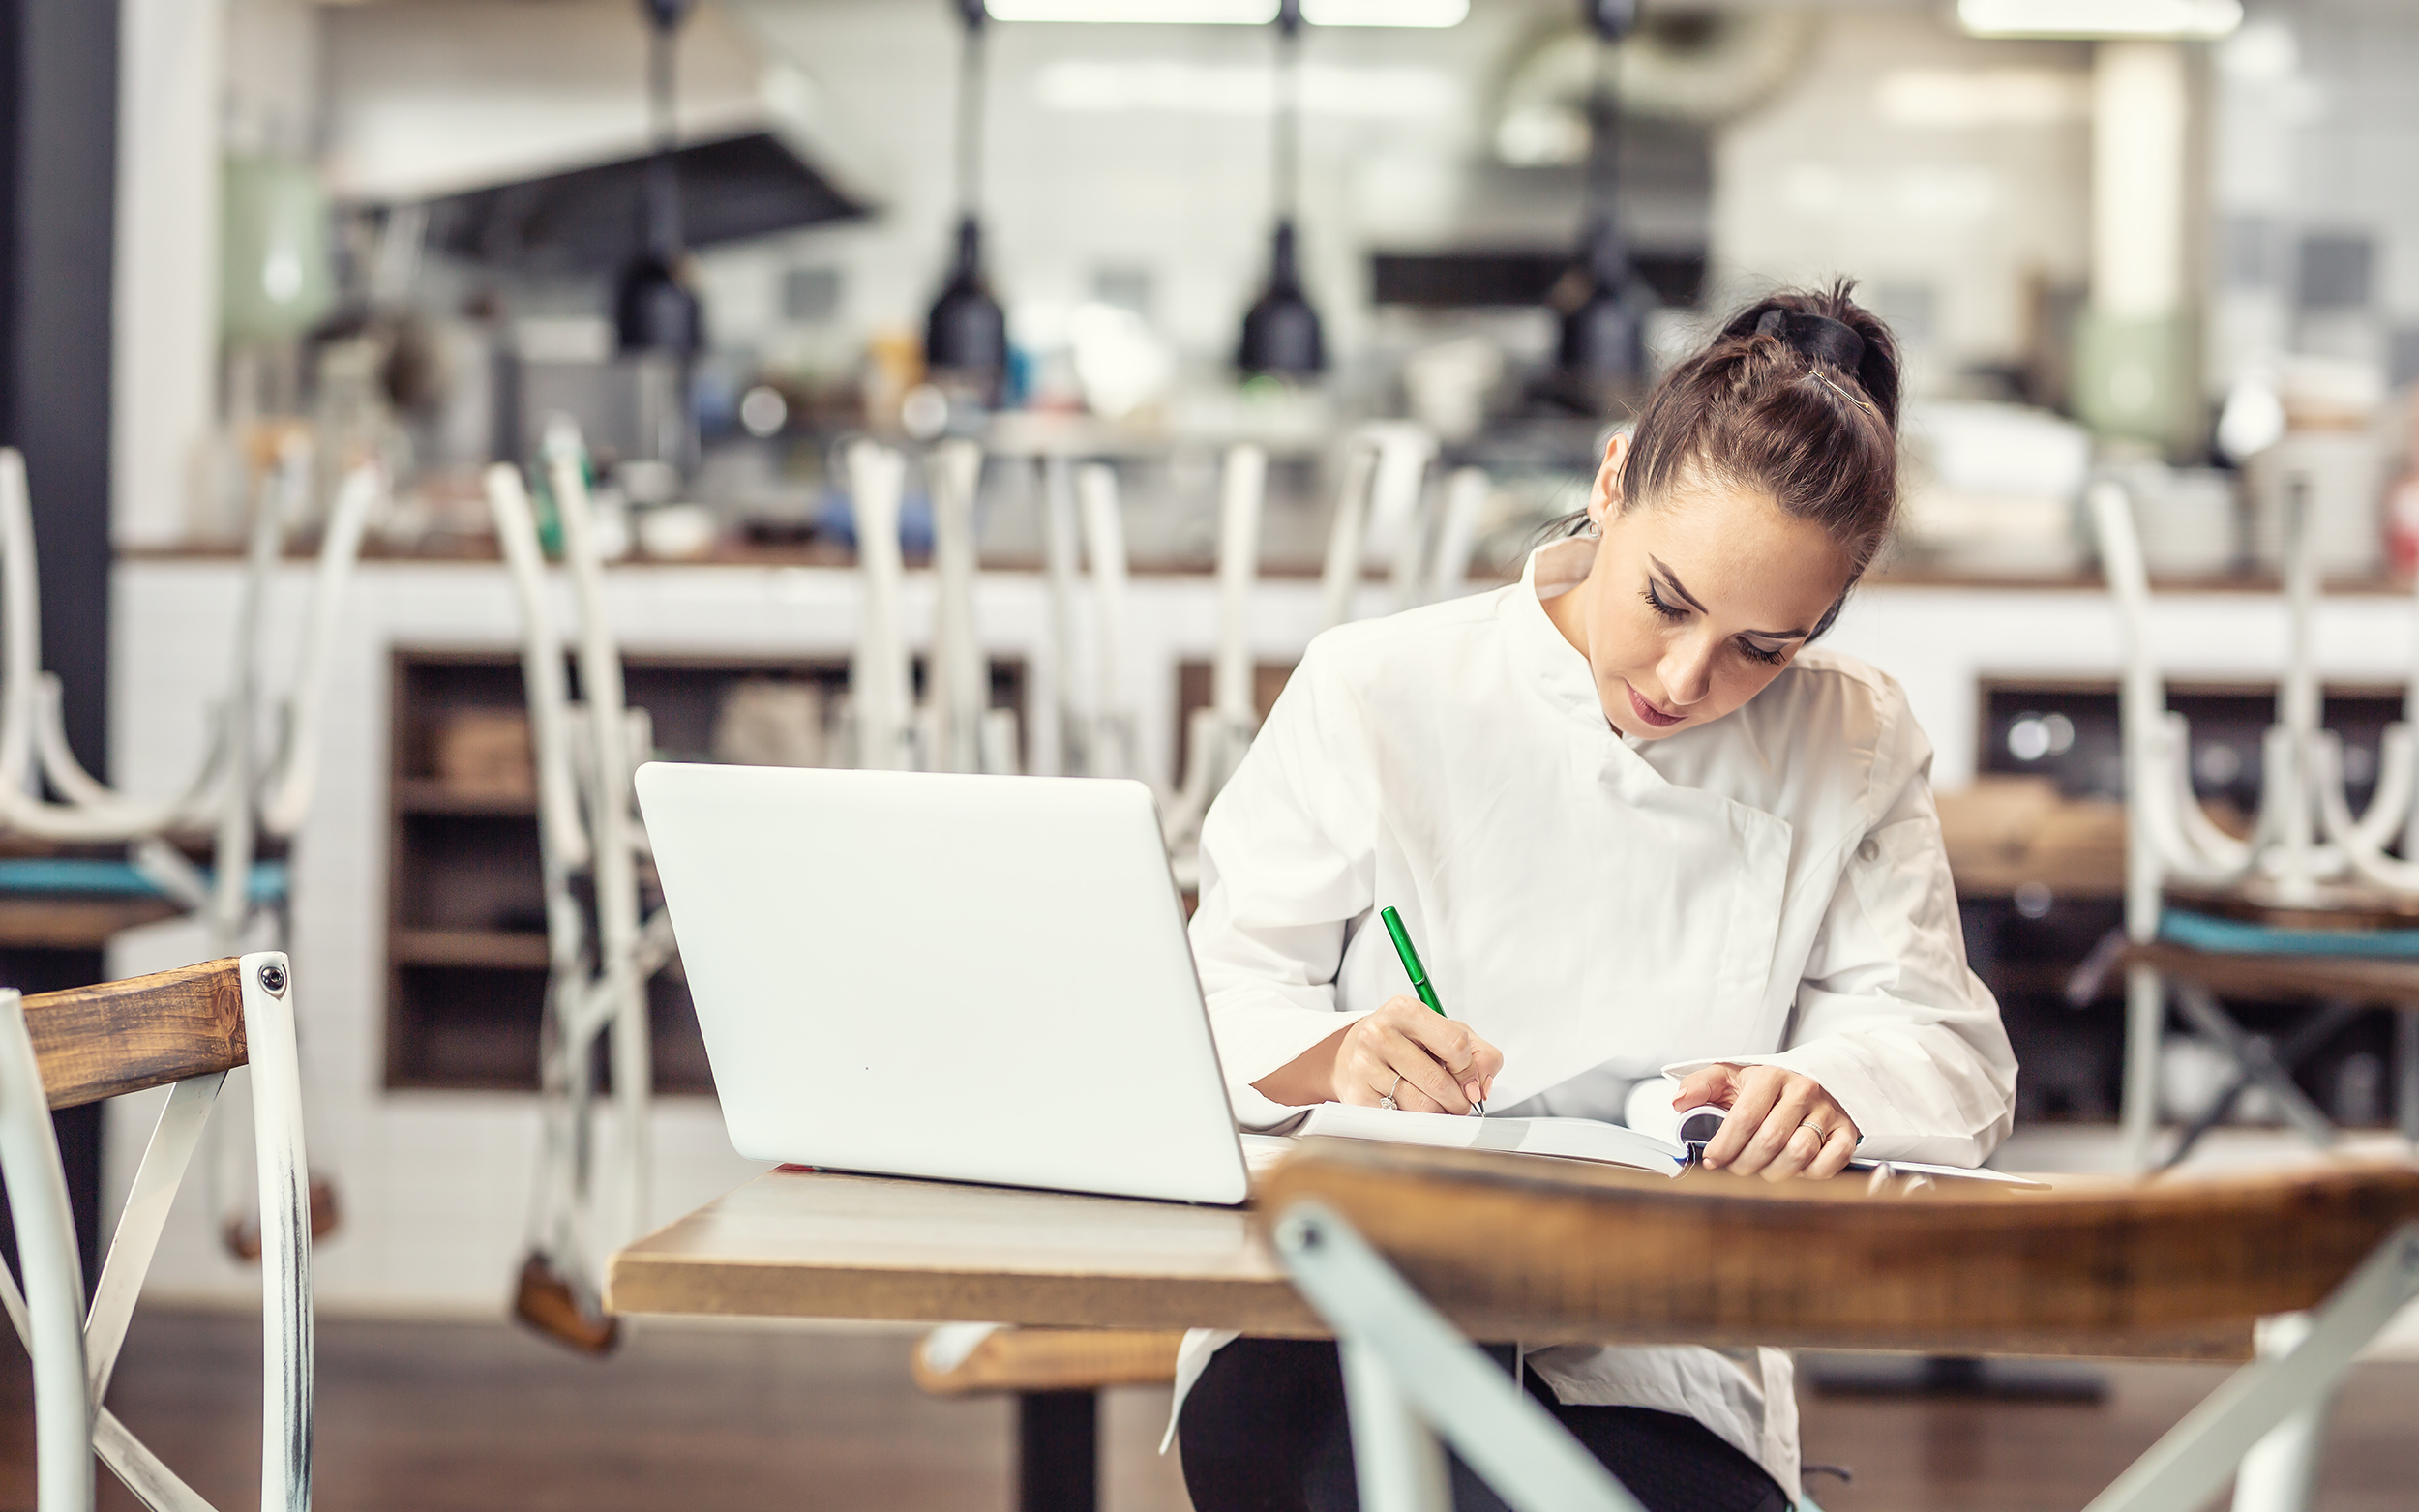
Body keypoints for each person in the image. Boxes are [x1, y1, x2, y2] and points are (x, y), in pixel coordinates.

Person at [1174, 282, 2019, 1512]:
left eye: (1761, 649)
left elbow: (1948, 1048)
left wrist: (1830, 1086)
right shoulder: (1378, 687)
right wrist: (1336, 1052)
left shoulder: (1853, 734)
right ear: (1613, 479)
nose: (1686, 678)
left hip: (1654, 1347)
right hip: (1335, 1309)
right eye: (1667, 602)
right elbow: (1214, 991)